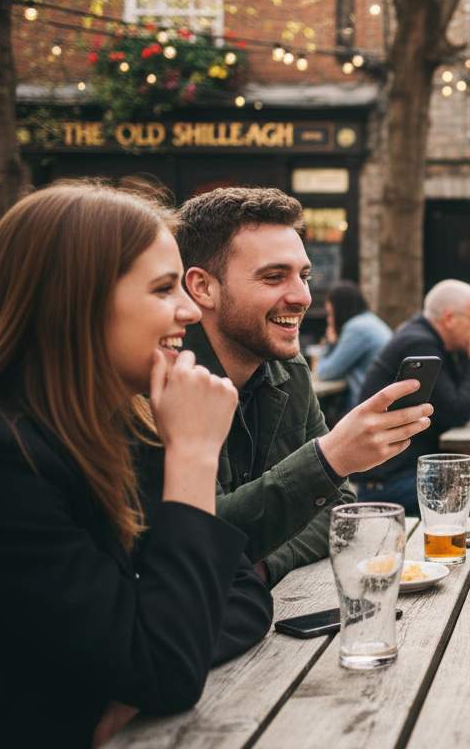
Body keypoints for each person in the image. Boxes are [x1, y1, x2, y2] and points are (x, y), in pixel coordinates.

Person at [0, 183, 272, 746]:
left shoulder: (123, 428)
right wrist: (193, 456)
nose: (188, 310)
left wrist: (137, 676)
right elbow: (167, 663)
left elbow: (243, 595)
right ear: (75, 304)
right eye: (163, 289)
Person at [174, 187, 433, 586]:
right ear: (203, 287)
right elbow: (200, 539)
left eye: (304, 276)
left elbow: (340, 508)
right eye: (274, 277)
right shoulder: (165, 383)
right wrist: (329, 459)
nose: (302, 296)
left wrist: (261, 564)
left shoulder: (287, 369)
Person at [356, 279, 470, 514]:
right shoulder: (419, 344)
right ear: (450, 318)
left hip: (412, 471)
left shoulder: (442, 344)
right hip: (389, 484)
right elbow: (457, 412)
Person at [314, 280, 392, 407]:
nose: (328, 320)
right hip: (381, 399)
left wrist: (329, 343)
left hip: (368, 406)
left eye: (330, 313)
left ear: (339, 310)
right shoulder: (370, 320)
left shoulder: (357, 328)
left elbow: (325, 373)